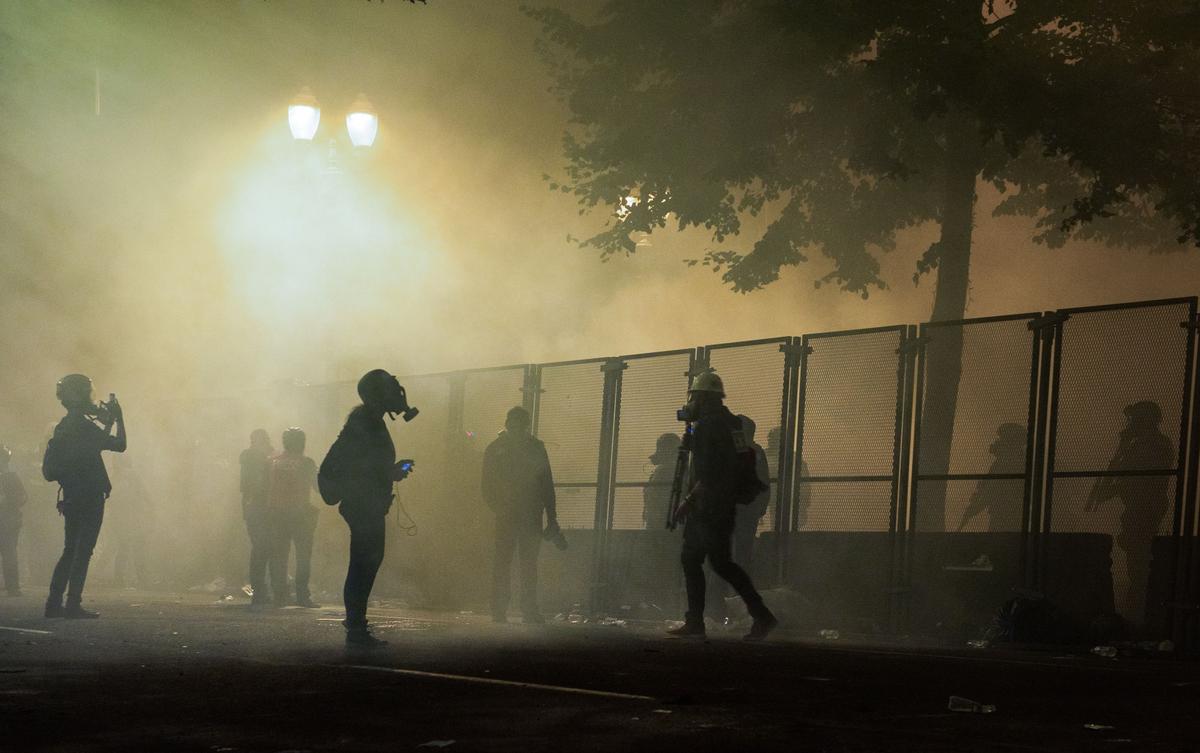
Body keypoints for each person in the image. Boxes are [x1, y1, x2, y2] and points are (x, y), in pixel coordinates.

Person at [668, 371, 777, 641]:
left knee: (695, 560)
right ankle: (759, 616)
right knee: (722, 563)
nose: (691, 402)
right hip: (725, 505)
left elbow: (709, 473)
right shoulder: (732, 424)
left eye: (694, 397)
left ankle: (698, 621)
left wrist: (688, 502)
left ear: (703, 398)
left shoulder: (707, 427)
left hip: (707, 506)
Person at [319, 369, 414, 647]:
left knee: (366, 562)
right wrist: (390, 472)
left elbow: (366, 465)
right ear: (377, 395)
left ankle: (356, 623)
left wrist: (389, 473)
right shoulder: (366, 424)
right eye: (390, 389)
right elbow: (361, 467)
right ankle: (356, 626)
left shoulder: (369, 421)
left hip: (367, 502)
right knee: (364, 563)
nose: (397, 394)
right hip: (363, 504)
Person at [41, 374, 126, 618]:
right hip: (90, 495)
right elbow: (120, 444)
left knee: (70, 549)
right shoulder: (83, 426)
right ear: (80, 396)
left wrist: (105, 423)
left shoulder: (64, 425)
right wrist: (119, 418)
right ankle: (73, 603)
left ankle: (53, 602)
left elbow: (92, 447)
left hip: (71, 494)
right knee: (84, 550)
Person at [1086, 401, 1174, 622]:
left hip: (1144, 509)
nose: (1129, 424)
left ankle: (1138, 615)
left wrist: (1109, 490)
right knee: (1137, 562)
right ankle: (1138, 612)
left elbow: (1133, 479)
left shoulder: (1152, 445)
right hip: (1141, 508)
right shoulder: (1148, 444)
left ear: (1144, 421)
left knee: (1139, 566)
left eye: (1133, 419)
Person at [481, 406, 560, 625]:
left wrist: (499, 508)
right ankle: (523, 610)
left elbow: (487, 486)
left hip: (517, 515)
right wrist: (551, 516)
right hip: (525, 514)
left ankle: (503, 609)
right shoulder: (534, 447)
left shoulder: (497, 448)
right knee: (524, 564)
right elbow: (546, 484)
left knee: (508, 563)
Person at [269, 427, 320, 608]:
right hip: (300, 514)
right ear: (302, 443)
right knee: (303, 557)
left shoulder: (273, 462)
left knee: (279, 557)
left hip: (277, 514)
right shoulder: (306, 463)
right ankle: (302, 596)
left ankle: (279, 595)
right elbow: (318, 487)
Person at [958, 423, 1026, 532]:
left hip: (1004, 515)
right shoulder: (1008, 461)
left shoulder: (1007, 463)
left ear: (1010, 442)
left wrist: (975, 508)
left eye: (1002, 439)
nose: (997, 442)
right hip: (1006, 514)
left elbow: (992, 490)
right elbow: (988, 487)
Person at [240, 428, 278, 609]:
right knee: (262, 548)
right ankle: (261, 591)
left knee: (263, 548)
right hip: (259, 507)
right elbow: (253, 484)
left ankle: (262, 590)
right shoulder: (253, 457)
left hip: (259, 507)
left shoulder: (255, 457)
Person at [732, 415, 770, 570]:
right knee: (743, 550)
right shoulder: (757, 452)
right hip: (749, 509)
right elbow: (764, 481)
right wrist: (761, 507)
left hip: (736, 510)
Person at [0, 445, 27, 596]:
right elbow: (23, 497)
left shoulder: (11, 477)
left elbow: (22, 497)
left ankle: (12, 587)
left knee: (9, 552)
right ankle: (13, 587)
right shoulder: (11, 477)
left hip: (8, 520)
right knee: (9, 552)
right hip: (9, 520)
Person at [643, 433, 681, 529]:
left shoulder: (664, 470)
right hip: (660, 519)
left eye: (660, 448)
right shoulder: (675, 469)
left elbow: (653, 496)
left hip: (657, 521)